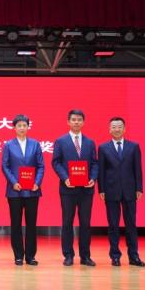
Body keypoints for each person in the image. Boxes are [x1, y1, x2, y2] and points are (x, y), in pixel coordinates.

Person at [51, 109, 99, 267]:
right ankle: (68, 255)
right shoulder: (60, 141)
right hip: (68, 189)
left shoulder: (90, 142)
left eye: (79, 119)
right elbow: (56, 162)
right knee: (67, 222)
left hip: (86, 189)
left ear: (83, 122)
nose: (76, 122)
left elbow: (95, 163)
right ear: (68, 122)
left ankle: (85, 256)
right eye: (73, 119)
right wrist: (65, 178)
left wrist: (93, 178)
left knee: (85, 223)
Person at [98, 117, 145, 267]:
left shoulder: (134, 146)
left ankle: (134, 256)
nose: (117, 129)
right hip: (110, 191)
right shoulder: (103, 148)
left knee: (131, 224)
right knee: (113, 225)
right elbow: (101, 171)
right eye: (114, 127)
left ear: (124, 129)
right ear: (109, 129)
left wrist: (139, 188)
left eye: (119, 127)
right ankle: (115, 256)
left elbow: (138, 169)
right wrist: (101, 189)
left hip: (130, 190)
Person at [2, 114, 45, 266]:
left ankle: (31, 256)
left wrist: (37, 182)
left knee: (31, 224)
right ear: (14, 128)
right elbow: (5, 166)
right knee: (16, 223)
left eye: (24, 125)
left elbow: (41, 166)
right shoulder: (8, 145)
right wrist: (13, 182)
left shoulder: (35, 144)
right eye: (19, 125)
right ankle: (18, 255)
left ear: (28, 127)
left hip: (33, 190)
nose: (22, 128)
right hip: (15, 191)